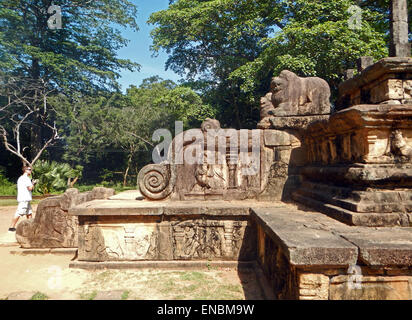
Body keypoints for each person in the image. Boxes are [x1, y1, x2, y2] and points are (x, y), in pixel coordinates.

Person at [8, 165, 37, 232]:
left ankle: (31, 227)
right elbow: (30, 188)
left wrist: (31, 183)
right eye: (29, 169)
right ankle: (11, 227)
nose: (30, 171)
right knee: (19, 212)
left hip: (26, 199)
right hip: (24, 199)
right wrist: (33, 183)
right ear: (25, 170)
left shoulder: (21, 178)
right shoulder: (25, 178)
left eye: (30, 169)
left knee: (29, 213)